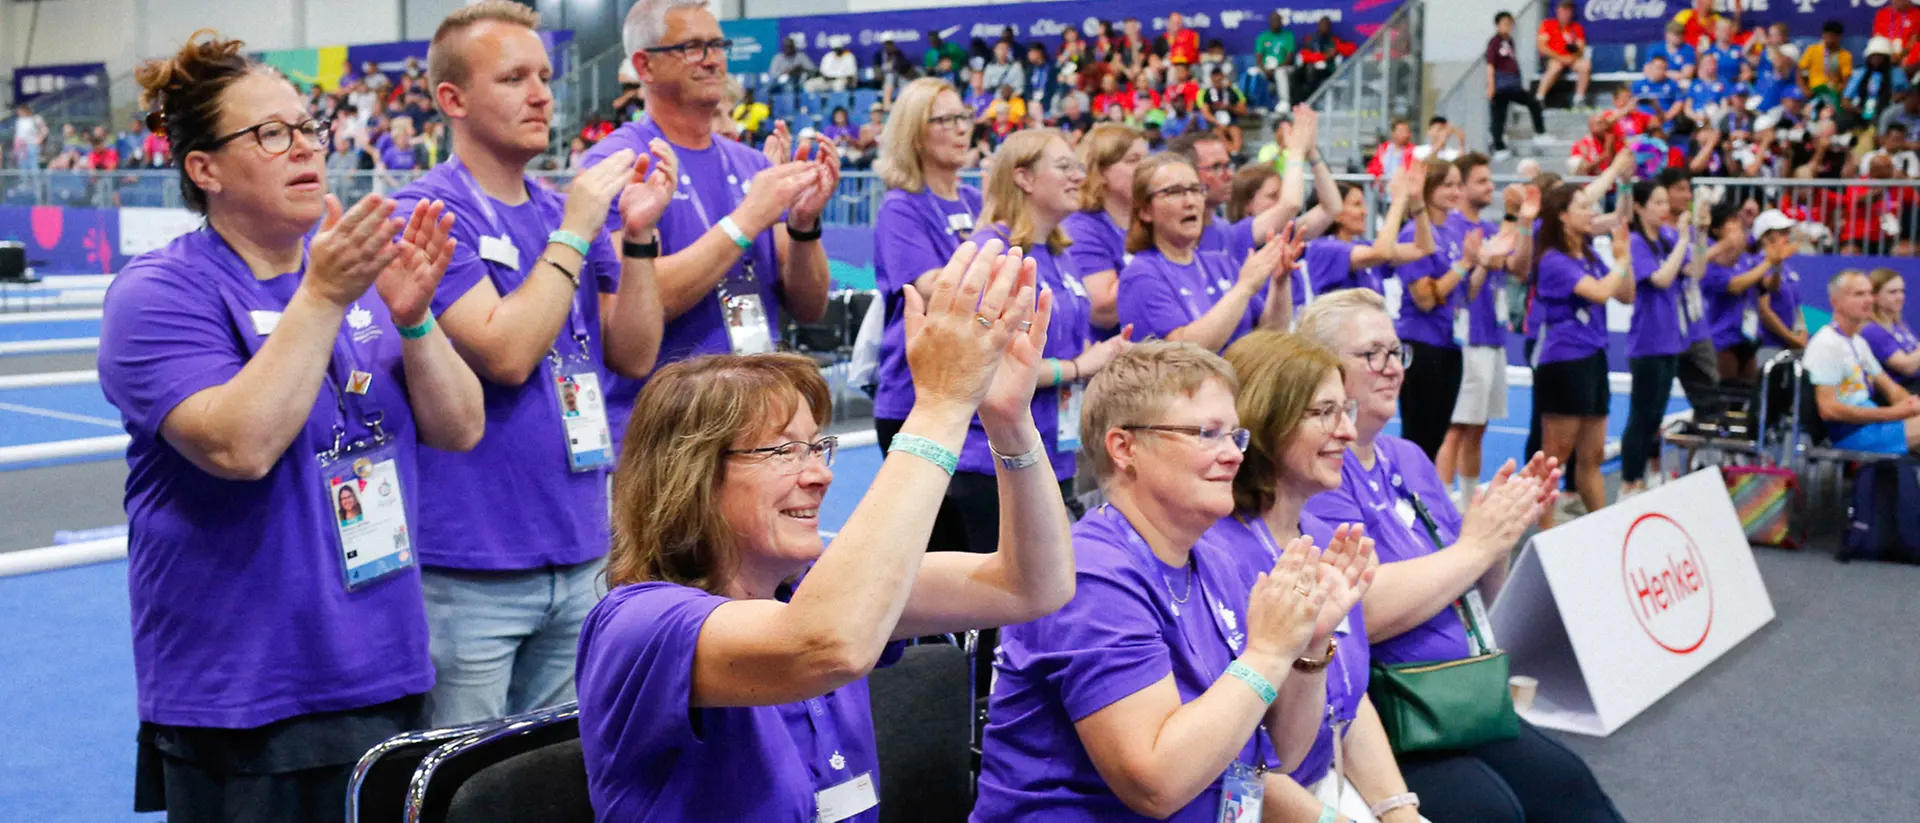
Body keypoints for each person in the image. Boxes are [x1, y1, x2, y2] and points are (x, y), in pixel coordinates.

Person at [101, 29, 486, 820]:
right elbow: (238, 445)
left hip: (386, 670)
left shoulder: (355, 272)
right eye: (269, 134)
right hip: (246, 694)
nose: (302, 147)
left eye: (307, 127)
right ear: (204, 169)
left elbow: (460, 427)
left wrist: (414, 322)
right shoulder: (160, 294)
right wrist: (321, 297)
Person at [577, 241, 1078, 822]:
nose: (819, 474)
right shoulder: (639, 624)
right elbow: (826, 644)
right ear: (691, 474)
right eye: (785, 451)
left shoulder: (810, 589)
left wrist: (1008, 421)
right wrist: (940, 406)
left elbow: (1034, 585)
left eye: (817, 446)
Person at [392, 0, 672, 726]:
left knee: (547, 776)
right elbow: (508, 353)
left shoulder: (558, 206)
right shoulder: (423, 211)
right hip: (471, 567)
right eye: (514, 77)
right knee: (455, 782)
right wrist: (579, 229)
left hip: (580, 545)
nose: (543, 93)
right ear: (452, 99)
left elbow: (634, 351)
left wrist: (638, 238)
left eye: (544, 75)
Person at [972, 340, 1358, 821]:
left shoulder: (1215, 560)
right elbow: (1156, 784)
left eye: (1235, 437)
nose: (1234, 456)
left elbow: (1282, 753)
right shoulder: (1089, 576)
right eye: (1207, 434)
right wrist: (1268, 654)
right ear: (1125, 447)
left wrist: (1308, 647)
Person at [1298, 290, 1627, 823]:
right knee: (1495, 812)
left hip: (1461, 696)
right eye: (1371, 354)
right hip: (1396, 709)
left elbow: (1476, 594)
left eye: (1396, 352)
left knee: (1572, 789)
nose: (1391, 369)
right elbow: (1358, 614)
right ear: (1322, 371)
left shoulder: (1406, 457)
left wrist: (1498, 536)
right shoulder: (1321, 476)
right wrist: (1476, 545)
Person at [583, 0, 839, 448]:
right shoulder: (618, 163)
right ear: (644, 65)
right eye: (693, 47)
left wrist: (803, 225)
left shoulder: (752, 164)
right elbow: (642, 301)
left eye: (718, 44)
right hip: (669, 439)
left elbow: (811, 305)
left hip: (761, 426)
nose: (713, 58)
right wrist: (747, 220)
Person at [1219, 330, 1436, 823]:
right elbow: (1238, 760)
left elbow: (1348, 704)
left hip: (1326, 782)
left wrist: (1400, 810)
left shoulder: (1322, 537)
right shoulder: (1215, 553)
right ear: (1265, 420)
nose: (1346, 431)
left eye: (1346, 411)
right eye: (1324, 413)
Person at [944, 129, 1133, 553]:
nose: (1077, 177)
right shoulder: (992, 252)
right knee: (1001, 608)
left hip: (1051, 448)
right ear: (1024, 178)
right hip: (991, 460)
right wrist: (1082, 366)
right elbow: (985, 367)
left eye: (1078, 167)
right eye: (1064, 166)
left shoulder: (1059, 252)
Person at [871, 77, 985, 457]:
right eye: (945, 119)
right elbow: (935, 289)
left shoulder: (975, 200)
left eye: (963, 116)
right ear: (915, 135)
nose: (961, 127)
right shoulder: (901, 207)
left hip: (968, 391)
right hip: (914, 398)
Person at [1117, 154, 1304, 352]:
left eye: (1196, 190)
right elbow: (1186, 352)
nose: (1190, 201)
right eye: (1174, 192)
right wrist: (1244, 287)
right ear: (1145, 210)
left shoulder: (1221, 263)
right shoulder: (1141, 274)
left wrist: (1280, 282)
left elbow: (1270, 336)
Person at [1532, 183, 1626, 520]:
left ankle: (1602, 526)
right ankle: (1544, 535)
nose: (1591, 214)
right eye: (1584, 207)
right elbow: (1601, 292)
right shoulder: (1552, 260)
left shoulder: (1587, 254)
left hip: (1593, 358)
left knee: (1593, 454)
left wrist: (1623, 262)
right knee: (1556, 456)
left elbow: (1624, 294)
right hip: (1564, 361)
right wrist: (1621, 264)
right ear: (1562, 215)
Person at [1437, 154, 1526, 507]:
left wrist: (1517, 218)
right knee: (1456, 428)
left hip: (1493, 336)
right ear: (1462, 188)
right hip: (1466, 339)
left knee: (1478, 427)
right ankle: (1441, 507)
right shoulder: (1454, 227)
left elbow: (1515, 262)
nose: (1490, 187)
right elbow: (1489, 258)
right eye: (1482, 181)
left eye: (1491, 181)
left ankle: (1466, 503)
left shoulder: (1490, 229)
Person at [1617, 181, 1709, 496]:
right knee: (1641, 413)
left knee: (1657, 414)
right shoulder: (1636, 242)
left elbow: (1696, 269)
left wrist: (1700, 233)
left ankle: (1649, 473)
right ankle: (1630, 480)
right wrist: (1684, 238)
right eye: (1656, 202)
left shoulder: (1668, 238)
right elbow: (1661, 278)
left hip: (1672, 338)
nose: (1664, 208)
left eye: (1663, 202)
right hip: (1647, 340)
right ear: (1640, 207)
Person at [1391, 162, 1473, 461]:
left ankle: (1424, 499)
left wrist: (1479, 263)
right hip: (1421, 343)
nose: (1455, 191)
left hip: (1450, 341)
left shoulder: (1453, 230)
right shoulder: (1413, 233)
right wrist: (1464, 265)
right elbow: (1425, 298)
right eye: (1447, 185)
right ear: (1427, 189)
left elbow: (1465, 293)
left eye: (1458, 184)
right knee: (1420, 436)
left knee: (1436, 438)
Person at [1805, 270, 1920, 454]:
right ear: (1835, 302)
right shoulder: (1825, 344)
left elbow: (1891, 388)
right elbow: (1828, 410)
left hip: (1874, 426)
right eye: (1859, 294)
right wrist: (1891, 413)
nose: (1868, 300)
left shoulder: (1858, 342)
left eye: (1869, 293)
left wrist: (1911, 405)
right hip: (1853, 434)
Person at [1062, 123, 1148, 335]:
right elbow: (1103, 311)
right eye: (1134, 160)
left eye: (1147, 159)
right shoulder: (1082, 228)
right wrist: (1160, 249)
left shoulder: (1144, 223)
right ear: (1099, 171)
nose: (1147, 169)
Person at [1302, 163, 1434, 298]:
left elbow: (1423, 248)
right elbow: (1381, 254)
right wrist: (1398, 200)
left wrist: (1417, 202)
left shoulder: (1364, 246)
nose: (1365, 212)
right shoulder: (1322, 248)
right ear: (1336, 213)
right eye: (1357, 204)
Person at [1701, 201, 1771, 384]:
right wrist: (1768, 262)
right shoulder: (1708, 258)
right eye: (1731, 223)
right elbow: (1735, 285)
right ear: (1716, 230)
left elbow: (1767, 284)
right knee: (1725, 396)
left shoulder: (1744, 258)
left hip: (1747, 336)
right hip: (1721, 337)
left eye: (1739, 224)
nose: (1738, 229)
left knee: (1748, 394)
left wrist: (1775, 265)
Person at [1750, 209, 1806, 365]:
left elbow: (1796, 307)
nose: (1787, 238)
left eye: (1787, 232)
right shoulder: (1757, 264)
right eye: (1781, 233)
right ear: (1765, 237)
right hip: (1769, 346)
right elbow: (1765, 306)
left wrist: (1801, 333)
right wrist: (1790, 337)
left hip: (1792, 347)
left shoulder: (1787, 268)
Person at [1487, 12, 1547, 156]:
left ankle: (1540, 132)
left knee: (1533, 102)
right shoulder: (1494, 42)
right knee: (1498, 117)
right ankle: (1499, 147)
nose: (1508, 27)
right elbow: (1490, 65)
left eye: (1510, 24)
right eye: (1504, 23)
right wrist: (1491, 86)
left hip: (1513, 85)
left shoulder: (1510, 41)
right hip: (1500, 86)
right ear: (1498, 25)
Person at [1863, 267, 1920, 390]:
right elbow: (1907, 367)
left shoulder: (1898, 324)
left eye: (1902, 291)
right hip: (1899, 390)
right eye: (1892, 292)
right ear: (1875, 296)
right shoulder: (1872, 330)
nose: (1900, 297)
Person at [1537, 0, 1591, 106]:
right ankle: (1539, 97)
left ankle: (1579, 99)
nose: (1566, 14)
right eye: (1563, 10)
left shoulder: (1576, 28)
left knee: (1585, 64)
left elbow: (1581, 48)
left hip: (1571, 59)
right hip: (1552, 58)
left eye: (1568, 11)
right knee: (1556, 66)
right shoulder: (1548, 24)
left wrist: (1573, 56)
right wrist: (1559, 57)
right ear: (1558, 11)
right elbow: (1542, 47)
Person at [1798, 21, 1854, 109]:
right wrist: (1804, 89)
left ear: (1839, 37)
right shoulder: (1812, 50)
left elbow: (1846, 79)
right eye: (1826, 36)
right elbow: (1800, 71)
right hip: (1813, 91)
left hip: (1832, 93)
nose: (1828, 40)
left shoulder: (1845, 55)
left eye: (1832, 37)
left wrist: (1838, 91)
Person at [1254, 11, 1299, 106]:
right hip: (1266, 68)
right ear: (1269, 22)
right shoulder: (1263, 36)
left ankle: (1284, 102)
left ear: (1282, 22)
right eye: (1273, 20)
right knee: (1253, 73)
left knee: (1280, 72)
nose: (1276, 22)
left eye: (1278, 20)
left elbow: (1290, 58)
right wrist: (1264, 69)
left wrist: (1275, 68)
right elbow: (1258, 58)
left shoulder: (1288, 36)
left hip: (1284, 67)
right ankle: (1256, 104)